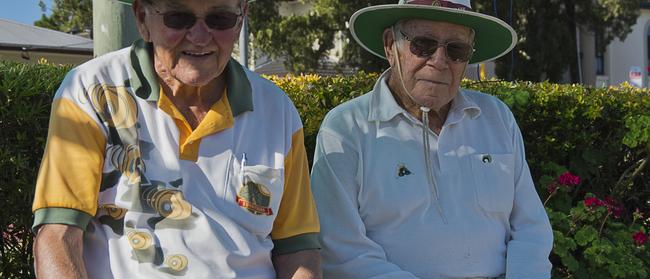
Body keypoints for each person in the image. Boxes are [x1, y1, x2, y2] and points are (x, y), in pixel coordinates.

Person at [31, 0, 321, 278]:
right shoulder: (92, 91)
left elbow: (297, 249)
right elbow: (59, 235)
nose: (199, 36)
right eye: (178, 18)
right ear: (142, 18)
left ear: (241, 17)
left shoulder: (276, 110)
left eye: (219, 18)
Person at [310, 0, 553, 278]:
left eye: (456, 50)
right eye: (423, 44)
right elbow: (342, 253)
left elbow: (531, 229)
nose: (439, 61)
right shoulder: (347, 128)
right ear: (391, 45)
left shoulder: (496, 118)